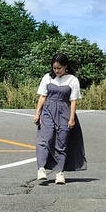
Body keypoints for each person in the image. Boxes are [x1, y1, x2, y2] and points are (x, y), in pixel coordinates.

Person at [34, 52, 86, 184]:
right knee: (45, 138)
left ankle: (60, 173)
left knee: (61, 143)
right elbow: (42, 97)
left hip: (64, 112)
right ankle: (41, 168)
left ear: (65, 66)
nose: (56, 70)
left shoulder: (72, 80)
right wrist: (37, 113)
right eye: (54, 68)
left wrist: (71, 118)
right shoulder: (47, 78)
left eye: (59, 68)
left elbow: (73, 101)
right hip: (48, 111)